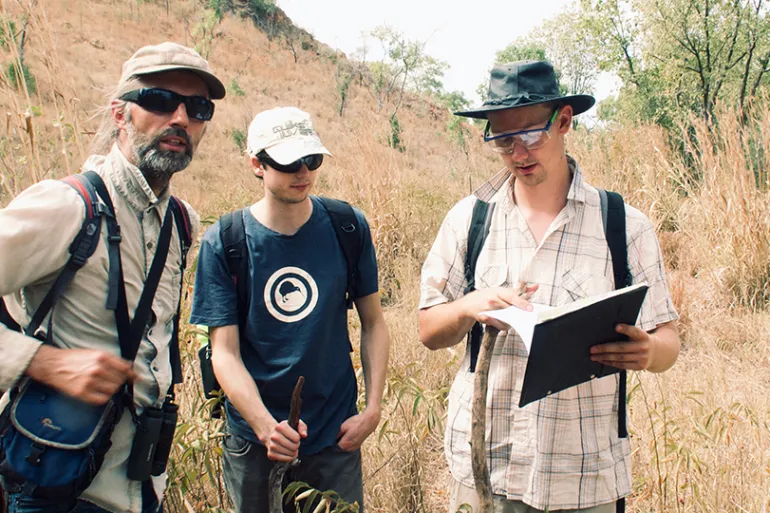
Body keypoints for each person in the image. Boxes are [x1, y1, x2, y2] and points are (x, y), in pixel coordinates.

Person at [418, 60, 680, 513]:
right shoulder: (469, 219)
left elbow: (668, 341)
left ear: (564, 122)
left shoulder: (623, 225)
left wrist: (649, 352)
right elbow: (428, 329)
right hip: (486, 468)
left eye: (530, 134)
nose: (518, 152)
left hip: (582, 476)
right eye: (503, 139)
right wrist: (469, 306)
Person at [0, 42, 225, 513]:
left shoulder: (182, 221)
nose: (180, 118)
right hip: (54, 486)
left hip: (141, 488)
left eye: (198, 108)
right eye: (160, 100)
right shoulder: (67, 206)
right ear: (119, 113)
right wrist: (42, 362)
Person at [189, 106, 389, 512]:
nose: (303, 172)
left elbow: (374, 323)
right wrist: (265, 427)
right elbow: (224, 353)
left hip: (334, 435)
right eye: (288, 162)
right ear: (257, 165)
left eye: (311, 159)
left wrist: (372, 409)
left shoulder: (347, 227)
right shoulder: (226, 242)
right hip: (254, 440)